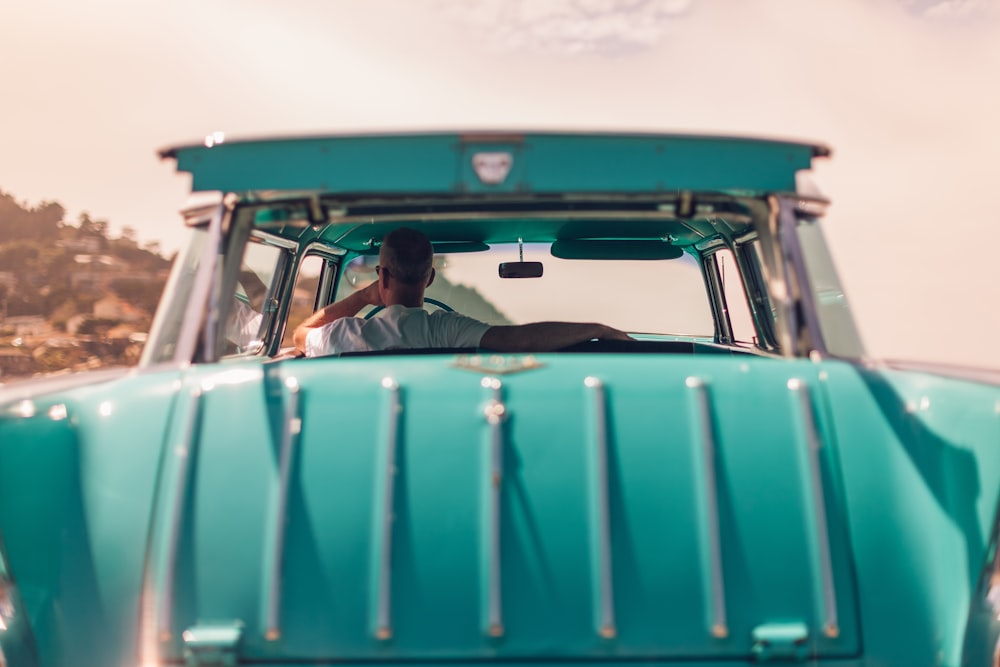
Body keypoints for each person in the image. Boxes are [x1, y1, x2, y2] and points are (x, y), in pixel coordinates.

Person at [293, 227, 632, 357]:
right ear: (429, 278)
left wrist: (364, 297)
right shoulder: (447, 329)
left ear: (382, 277)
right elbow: (521, 340)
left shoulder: (348, 334)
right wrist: (597, 329)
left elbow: (300, 336)